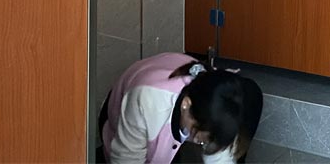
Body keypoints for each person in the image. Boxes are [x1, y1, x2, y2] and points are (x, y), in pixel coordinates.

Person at [99, 52, 263, 164]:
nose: (200, 141)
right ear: (186, 103)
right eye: (198, 131)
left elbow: (219, 158)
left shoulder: (220, 108)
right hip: (123, 116)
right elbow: (127, 159)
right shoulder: (147, 101)